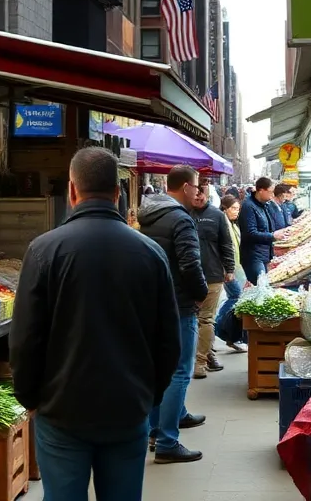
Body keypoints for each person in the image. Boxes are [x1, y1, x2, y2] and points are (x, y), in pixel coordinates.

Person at [10, 147, 181, 501]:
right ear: (118, 193)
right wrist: (151, 396)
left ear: (71, 191)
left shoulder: (44, 250)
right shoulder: (150, 253)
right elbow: (169, 341)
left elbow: (25, 338)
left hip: (61, 411)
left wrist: (30, 397)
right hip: (127, 408)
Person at [138, 164, 210, 464]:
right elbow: (190, 265)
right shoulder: (181, 220)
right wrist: (201, 294)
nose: (199, 192)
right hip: (179, 303)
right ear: (184, 187)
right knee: (180, 370)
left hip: (153, 302)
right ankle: (167, 440)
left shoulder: (149, 217)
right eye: (196, 187)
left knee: (159, 370)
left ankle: (157, 429)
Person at [192, 178, 235, 378]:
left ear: (207, 193)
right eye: (196, 192)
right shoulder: (183, 213)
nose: (198, 196)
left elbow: (226, 244)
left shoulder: (217, 216)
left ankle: (200, 362)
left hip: (212, 274)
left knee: (206, 319)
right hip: (187, 275)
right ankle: (207, 353)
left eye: (202, 192)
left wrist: (230, 268)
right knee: (191, 320)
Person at [215, 194, 247, 352]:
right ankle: (219, 327)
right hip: (228, 268)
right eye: (233, 208)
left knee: (235, 297)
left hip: (235, 267)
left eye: (238, 209)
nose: (236, 212)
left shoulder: (233, 224)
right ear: (224, 208)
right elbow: (223, 248)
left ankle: (222, 330)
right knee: (236, 296)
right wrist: (227, 269)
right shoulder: (222, 223)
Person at [238, 177, 281, 283]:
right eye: (270, 192)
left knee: (263, 287)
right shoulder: (248, 206)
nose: (272, 196)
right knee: (261, 287)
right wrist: (272, 236)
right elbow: (249, 233)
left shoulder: (264, 205)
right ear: (261, 190)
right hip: (253, 257)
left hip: (263, 254)